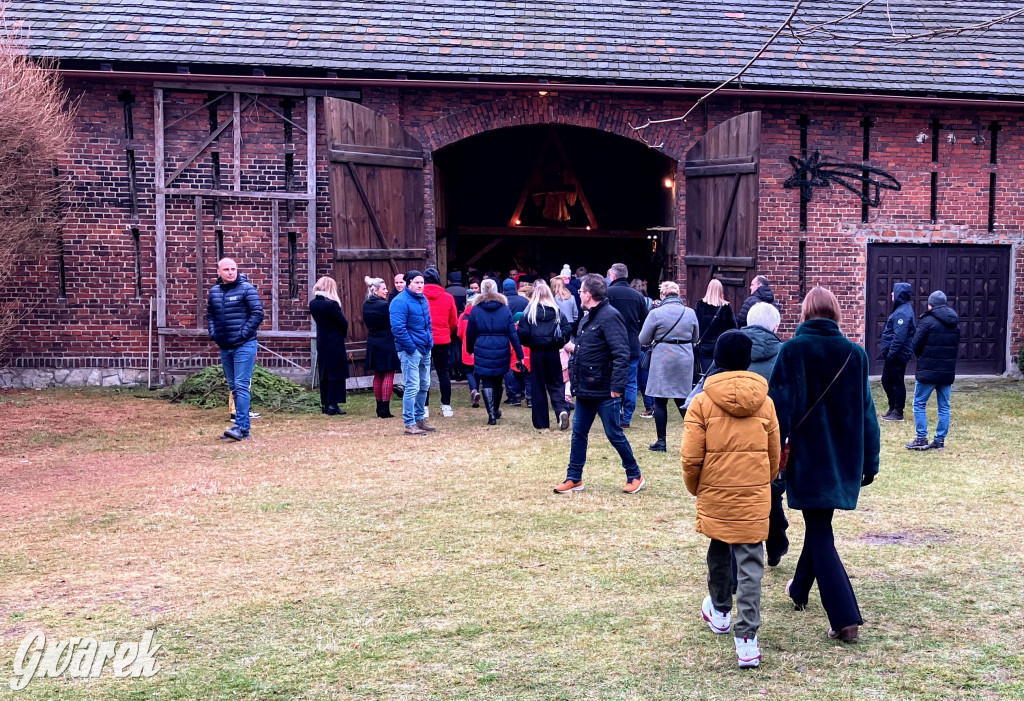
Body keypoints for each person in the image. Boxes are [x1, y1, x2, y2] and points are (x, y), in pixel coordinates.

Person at [768, 286, 880, 644]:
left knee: (819, 529)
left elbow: (777, 410)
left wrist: (772, 458)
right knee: (820, 522)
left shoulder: (792, 351)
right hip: (844, 456)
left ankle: (845, 617)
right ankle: (799, 589)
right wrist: (870, 459)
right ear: (835, 313)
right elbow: (867, 411)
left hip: (808, 456)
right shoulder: (854, 354)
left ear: (805, 313)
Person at [682, 330, 781, 669]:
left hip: (716, 488)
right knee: (751, 561)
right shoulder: (765, 402)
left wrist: (697, 487)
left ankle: (721, 609)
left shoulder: (701, 402)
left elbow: (691, 457)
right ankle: (747, 638)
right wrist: (760, 484)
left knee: (720, 544)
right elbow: (773, 454)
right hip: (753, 491)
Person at [555, 274, 645, 495]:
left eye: (581, 290)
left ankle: (635, 475)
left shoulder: (610, 316)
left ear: (588, 294)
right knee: (578, 433)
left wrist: (616, 387)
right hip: (585, 388)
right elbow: (587, 348)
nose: (578, 293)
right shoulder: (587, 317)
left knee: (614, 433)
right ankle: (574, 478)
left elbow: (622, 354)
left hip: (605, 389)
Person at [207, 258, 265, 441]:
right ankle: (242, 428)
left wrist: (243, 334)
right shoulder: (214, 292)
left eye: (233, 269)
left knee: (241, 386)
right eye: (226, 269)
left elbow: (257, 314)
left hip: (244, 345)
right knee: (233, 387)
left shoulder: (247, 289)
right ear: (219, 272)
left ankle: (240, 427)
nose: (231, 272)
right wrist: (214, 334)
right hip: (225, 346)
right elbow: (210, 315)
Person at [639, 281, 698, 452]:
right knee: (683, 400)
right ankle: (696, 439)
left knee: (660, 401)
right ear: (678, 294)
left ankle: (661, 441)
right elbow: (695, 337)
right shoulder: (690, 313)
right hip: (685, 357)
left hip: (663, 357)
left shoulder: (656, 313)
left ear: (663, 295)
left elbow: (643, 339)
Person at [905, 290, 960, 451]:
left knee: (919, 403)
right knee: (944, 406)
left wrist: (923, 357)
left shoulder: (927, 321)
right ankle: (939, 441)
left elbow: (916, 344)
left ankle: (921, 438)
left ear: (931, 304)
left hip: (928, 370)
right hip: (947, 371)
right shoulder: (954, 322)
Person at [467, 279, 525, 425]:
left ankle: (491, 414)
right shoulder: (505, 309)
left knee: (486, 381)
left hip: (482, 346)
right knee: (498, 381)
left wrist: (469, 348)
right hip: (501, 347)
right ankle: (496, 409)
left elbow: (470, 332)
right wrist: (520, 354)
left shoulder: (476, 309)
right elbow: (513, 334)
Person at [518, 279, 573, 430]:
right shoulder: (556, 312)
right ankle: (562, 410)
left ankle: (541, 422)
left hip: (536, 353)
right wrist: (558, 342)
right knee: (556, 384)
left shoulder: (529, 313)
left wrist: (530, 342)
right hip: (553, 352)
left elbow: (522, 333)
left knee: (538, 387)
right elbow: (566, 330)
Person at [390, 269, 435, 436]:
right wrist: (411, 348)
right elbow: (398, 329)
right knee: (412, 386)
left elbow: (427, 323)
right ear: (408, 283)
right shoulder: (400, 301)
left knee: (424, 385)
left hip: (424, 348)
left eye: (422, 282)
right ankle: (409, 423)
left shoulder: (423, 299)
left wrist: (429, 342)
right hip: (410, 350)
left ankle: (419, 418)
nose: (420, 285)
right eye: (416, 282)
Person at [605, 263, 648, 428]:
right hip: (632, 343)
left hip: (610, 343)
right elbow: (646, 320)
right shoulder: (637, 296)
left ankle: (614, 414)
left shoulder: (607, 293)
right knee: (630, 382)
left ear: (613, 276)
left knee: (611, 379)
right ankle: (627, 417)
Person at [308, 276, 350, 416]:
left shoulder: (313, 303)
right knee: (336, 373)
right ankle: (333, 404)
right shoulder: (332, 304)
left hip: (322, 340)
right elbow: (343, 322)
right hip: (335, 341)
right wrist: (342, 332)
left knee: (324, 372)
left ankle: (325, 403)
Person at [363, 276, 402, 419]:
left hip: (373, 340)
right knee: (388, 374)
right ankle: (385, 409)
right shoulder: (384, 305)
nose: (386, 291)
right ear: (376, 290)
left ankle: (379, 408)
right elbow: (392, 322)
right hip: (386, 340)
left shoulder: (366, 304)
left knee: (378, 374)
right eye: (384, 289)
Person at [423, 267, 459, 418]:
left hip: (424, 339)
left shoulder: (419, 297)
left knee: (423, 373)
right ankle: (446, 406)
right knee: (443, 373)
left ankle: (424, 407)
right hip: (443, 339)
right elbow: (453, 321)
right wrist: (445, 332)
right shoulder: (448, 297)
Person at [879, 282, 916, 422]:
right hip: (895, 353)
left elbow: (899, 337)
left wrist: (891, 353)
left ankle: (898, 412)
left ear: (899, 294)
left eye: (894, 292)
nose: (891, 294)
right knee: (887, 380)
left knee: (896, 381)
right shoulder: (901, 309)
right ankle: (893, 408)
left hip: (897, 354)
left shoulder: (903, 312)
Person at [694, 279, 737, 384]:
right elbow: (733, 328)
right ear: (720, 290)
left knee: (706, 376)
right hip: (721, 346)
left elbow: (695, 324)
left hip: (704, 345)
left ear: (708, 289)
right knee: (720, 377)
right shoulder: (726, 307)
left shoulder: (700, 305)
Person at [456, 297, 481, 408]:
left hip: (467, 346)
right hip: (480, 345)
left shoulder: (463, 316)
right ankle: (476, 391)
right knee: (477, 370)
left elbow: (459, 333)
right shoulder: (480, 314)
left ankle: (473, 390)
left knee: (468, 370)